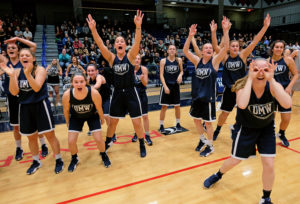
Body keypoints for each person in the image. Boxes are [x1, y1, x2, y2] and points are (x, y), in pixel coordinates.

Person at [203, 59, 292, 204]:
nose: (261, 73)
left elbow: (287, 103)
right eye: (256, 69)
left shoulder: (273, 87)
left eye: (265, 69)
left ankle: (266, 198)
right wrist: (250, 78)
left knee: (269, 164)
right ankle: (218, 174)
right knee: (235, 160)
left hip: (266, 129)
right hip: (246, 129)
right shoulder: (242, 85)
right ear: (250, 70)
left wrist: (273, 79)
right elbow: (242, 104)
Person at [87, 10, 147, 157]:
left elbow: (138, 42)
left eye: (122, 41)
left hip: (131, 92)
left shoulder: (131, 56)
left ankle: (141, 143)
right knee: (112, 123)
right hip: (118, 92)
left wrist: (138, 27)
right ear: (115, 45)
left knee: (137, 123)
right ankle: (108, 141)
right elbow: (100, 44)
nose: (120, 43)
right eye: (117, 41)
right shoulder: (111, 58)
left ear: (125, 45)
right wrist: (94, 30)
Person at [0, 49, 64, 175]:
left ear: (33, 58)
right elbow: (13, 92)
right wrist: (12, 76)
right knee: (31, 138)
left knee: (50, 136)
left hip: (40, 105)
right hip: (24, 107)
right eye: (22, 55)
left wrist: (28, 74)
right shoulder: (17, 72)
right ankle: (36, 161)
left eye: (27, 55)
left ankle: (58, 159)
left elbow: (36, 87)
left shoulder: (40, 70)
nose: (24, 56)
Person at [212, 14, 271, 141]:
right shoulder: (225, 57)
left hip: (242, 88)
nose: (234, 48)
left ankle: (238, 128)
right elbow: (220, 47)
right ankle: (217, 129)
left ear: (239, 48)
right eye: (232, 46)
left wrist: (265, 27)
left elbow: (255, 41)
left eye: (236, 46)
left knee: (244, 112)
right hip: (229, 89)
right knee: (225, 113)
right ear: (229, 48)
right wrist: (225, 31)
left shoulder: (243, 55)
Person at [183, 17, 230, 157]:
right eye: (206, 48)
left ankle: (210, 146)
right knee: (196, 120)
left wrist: (226, 30)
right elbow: (185, 51)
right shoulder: (197, 61)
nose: (209, 49)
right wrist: (190, 36)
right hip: (197, 97)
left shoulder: (215, 62)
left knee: (208, 124)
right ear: (202, 51)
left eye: (211, 48)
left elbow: (225, 47)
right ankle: (203, 140)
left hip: (208, 98)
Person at [0, 37, 49, 161]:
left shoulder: (24, 59)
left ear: (18, 51)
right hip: (12, 96)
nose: (11, 48)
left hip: (27, 95)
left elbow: (33, 45)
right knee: (16, 126)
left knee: (36, 124)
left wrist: (17, 38)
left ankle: (43, 144)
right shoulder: (5, 60)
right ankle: (19, 148)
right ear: (5, 50)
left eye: (14, 47)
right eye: (9, 47)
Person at [62, 72, 111, 172]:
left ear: (86, 82)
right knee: (71, 141)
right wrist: (67, 121)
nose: (79, 84)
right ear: (72, 83)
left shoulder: (93, 93)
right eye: (76, 82)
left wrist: (102, 118)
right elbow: (66, 110)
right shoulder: (67, 95)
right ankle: (74, 158)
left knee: (98, 139)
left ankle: (103, 154)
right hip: (76, 117)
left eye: (81, 82)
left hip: (91, 116)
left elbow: (99, 107)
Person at [269, 40, 298, 147]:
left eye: (281, 47)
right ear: (272, 48)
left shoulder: (288, 60)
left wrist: (289, 87)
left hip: (284, 92)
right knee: (271, 117)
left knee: (286, 118)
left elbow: (295, 75)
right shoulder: (268, 61)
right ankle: (269, 135)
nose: (279, 49)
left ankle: (281, 133)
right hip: (271, 93)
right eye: (277, 47)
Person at [86, 63, 116, 141]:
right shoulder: (88, 78)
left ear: (96, 71)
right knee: (92, 114)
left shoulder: (99, 77)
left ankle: (112, 133)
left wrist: (87, 89)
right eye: (88, 71)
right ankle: (93, 129)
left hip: (106, 98)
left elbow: (97, 85)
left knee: (106, 116)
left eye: (92, 70)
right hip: (97, 100)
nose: (90, 72)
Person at [159, 45, 183, 132]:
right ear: (168, 51)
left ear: (176, 51)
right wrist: (165, 86)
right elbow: (161, 74)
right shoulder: (163, 61)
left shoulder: (179, 60)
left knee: (177, 106)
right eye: (170, 49)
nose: (172, 50)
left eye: (173, 49)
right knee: (164, 107)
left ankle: (178, 123)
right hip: (167, 85)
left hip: (176, 86)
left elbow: (182, 71)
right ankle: (161, 125)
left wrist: (180, 75)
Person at [131, 55, 153, 145]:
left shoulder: (143, 69)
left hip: (142, 94)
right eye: (135, 58)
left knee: (145, 116)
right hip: (133, 95)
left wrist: (142, 78)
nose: (137, 60)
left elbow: (145, 83)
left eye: (138, 59)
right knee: (136, 117)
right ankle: (137, 133)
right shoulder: (129, 69)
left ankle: (147, 135)